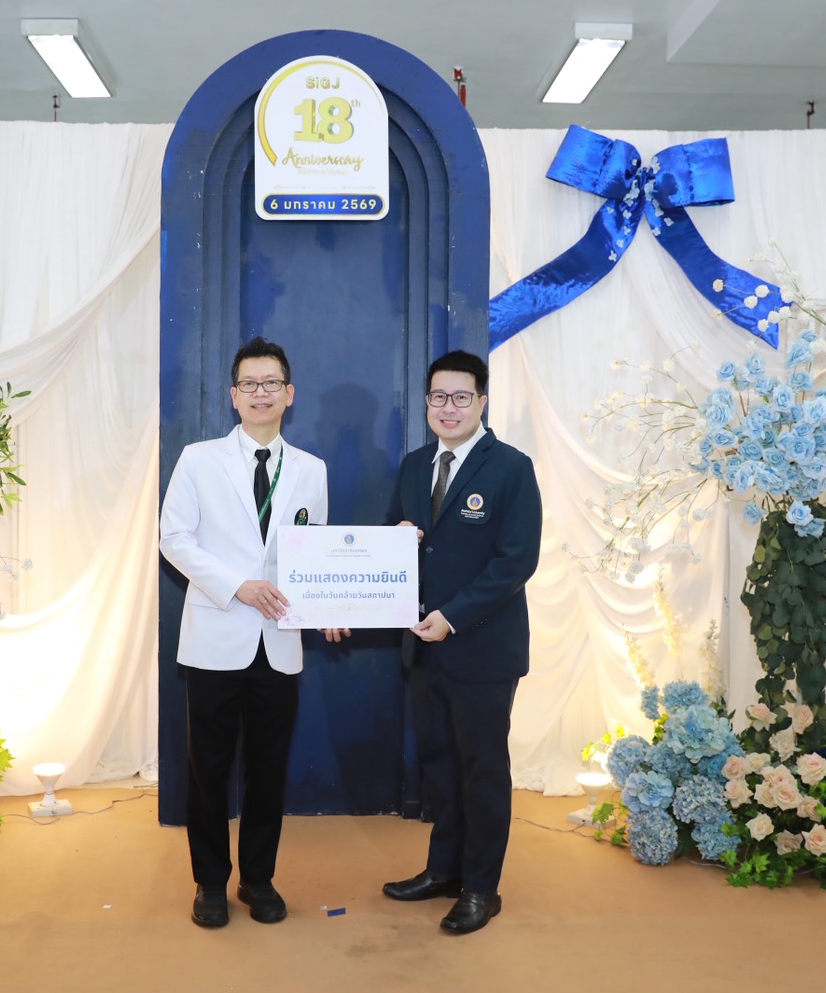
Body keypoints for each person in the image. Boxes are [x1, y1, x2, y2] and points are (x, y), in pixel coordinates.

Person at [158, 336, 342, 929]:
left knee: (268, 770)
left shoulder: (311, 470)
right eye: (250, 384)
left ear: (290, 394)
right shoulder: (198, 459)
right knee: (207, 769)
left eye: (272, 384)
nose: (261, 393)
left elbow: (313, 553)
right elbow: (173, 538)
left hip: (279, 641)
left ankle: (258, 879)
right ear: (233, 396)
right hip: (216, 635)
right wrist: (237, 585)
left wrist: (328, 604)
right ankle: (210, 883)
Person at [382, 349, 542, 935]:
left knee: (482, 770)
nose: (447, 408)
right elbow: (393, 541)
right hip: (423, 645)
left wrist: (452, 616)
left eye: (460, 397)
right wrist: (396, 539)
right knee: (440, 765)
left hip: (483, 647)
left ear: (482, 401)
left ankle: (480, 888)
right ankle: (443, 870)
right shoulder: (413, 465)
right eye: (438, 397)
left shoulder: (512, 468)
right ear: (426, 402)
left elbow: (515, 562)